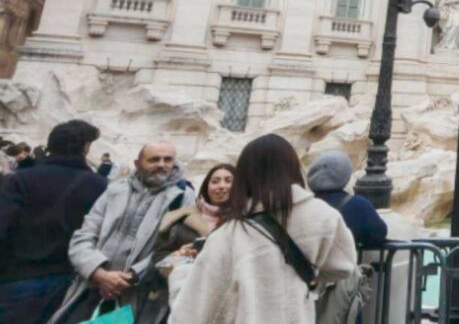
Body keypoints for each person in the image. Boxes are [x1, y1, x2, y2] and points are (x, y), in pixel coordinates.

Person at [172, 134, 357, 324]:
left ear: (244, 175)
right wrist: (300, 278)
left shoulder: (230, 232)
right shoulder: (325, 215)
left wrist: (181, 273)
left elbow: (192, 311)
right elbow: (343, 267)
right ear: (293, 168)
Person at [50, 141, 192, 324]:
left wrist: (129, 277)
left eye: (168, 160)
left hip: (137, 295)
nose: (162, 165)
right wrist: (98, 273)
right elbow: (84, 235)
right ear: (138, 163)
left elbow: (176, 249)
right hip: (91, 288)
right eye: (154, 159)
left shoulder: (182, 197)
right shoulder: (115, 190)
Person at [0, 121, 108, 324]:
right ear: (85, 148)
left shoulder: (20, 180)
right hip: (72, 284)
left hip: (18, 280)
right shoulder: (99, 185)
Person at [137, 163, 235, 323]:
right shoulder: (178, 219)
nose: (221, 186)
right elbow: (157, 260)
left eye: (228, 180)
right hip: (175, 302)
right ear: (206, 186)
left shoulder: (246, 223)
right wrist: (177, 256)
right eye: (215, 181)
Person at [306, 151, 386, 247]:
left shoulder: (304, 205)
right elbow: (379, 234)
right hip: (342, 261)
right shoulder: (358, 205)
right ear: (345, 175)